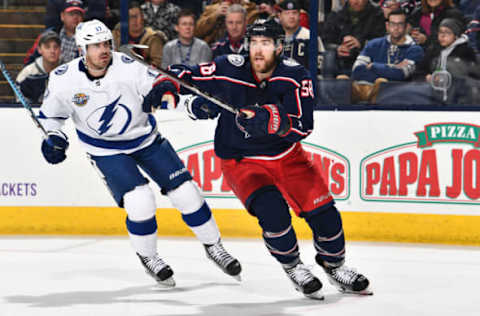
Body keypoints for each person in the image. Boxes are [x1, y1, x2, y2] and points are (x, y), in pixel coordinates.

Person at [143, 19, 371, 299]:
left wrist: (270, 119)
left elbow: (303, 125)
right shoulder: (229, 66)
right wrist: (167, 86)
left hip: (288, 156)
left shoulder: (296, 76)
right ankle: (293, 266)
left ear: (279, 46)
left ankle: (335, 267)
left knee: (327, 218)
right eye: (254, 43)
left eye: (265, 44)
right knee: (273, 214)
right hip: (242, 161)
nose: (258, 50)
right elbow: (184, 75)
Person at [38, 19, 242, 287]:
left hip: (145, 139)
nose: (103, 50)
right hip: (105, 150)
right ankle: (149, 257)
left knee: (187, 194)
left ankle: (214, 247)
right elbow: (52, 118)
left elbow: (160, 92)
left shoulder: (128, 65)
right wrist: (54, 138)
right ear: (81, 49)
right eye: (96, 45)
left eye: (106, 43)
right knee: (140, 201)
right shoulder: (64, 80)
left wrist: (190, 105)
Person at [347, 8, 424, 103]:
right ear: (387, 26)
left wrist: (373, 66)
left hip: (395, 97)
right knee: (342, 81)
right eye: (392, 24)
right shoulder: (373, 44)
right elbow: (357, 70)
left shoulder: (415, 49)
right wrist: (391, 69)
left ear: (406, 26)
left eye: (400, 24)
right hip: (362, 90)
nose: (396, 28)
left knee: (381, 82)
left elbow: (401, 74)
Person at [322, 0, 386, 76]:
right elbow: (326, 40)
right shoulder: (336, 13)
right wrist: (338, 48)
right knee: (329, 55)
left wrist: (361, 44)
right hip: (340, 57)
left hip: (366, 55)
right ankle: (328, 85)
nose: (356, 1)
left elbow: (380, 41)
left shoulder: (377, 13)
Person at [25, 0, 84, 65]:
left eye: (78, 14)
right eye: (71, 14)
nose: (75, 17)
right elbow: (30, 60)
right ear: (62, 16)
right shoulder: (48, 35)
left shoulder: (89, 37)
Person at [112, 1, 168, 69]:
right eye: (130, 17)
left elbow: (157, 65)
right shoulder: (116, 35)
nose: (134, 20)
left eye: (136, 16)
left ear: (143, 17)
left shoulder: (154, 38)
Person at [277, 0, 325, 76]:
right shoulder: (274, 37)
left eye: (294, 13)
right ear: (279, 16)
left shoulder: (310, 36)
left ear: (300, 15)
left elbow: (320, 67)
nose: (291, 16)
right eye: (287, 13)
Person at [16, 31, 61, 104]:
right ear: (39, 50)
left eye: (55, 47)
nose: (52, 51)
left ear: (60, 49)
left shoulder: (68, 71)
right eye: (47, 47)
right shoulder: (27, 73)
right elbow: (21, 106)